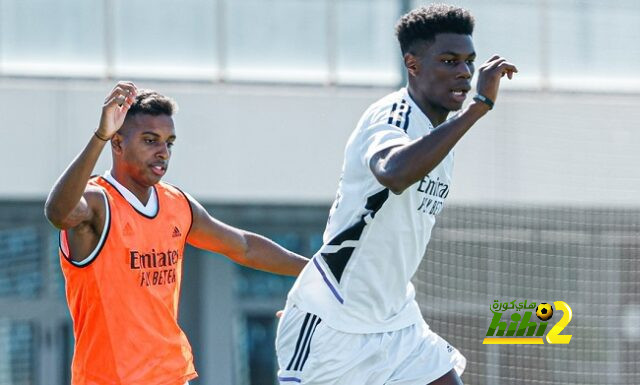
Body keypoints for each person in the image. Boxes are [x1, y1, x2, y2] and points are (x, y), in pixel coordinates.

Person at [275, 4, 517, 385]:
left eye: (469, 61)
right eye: (449, 61)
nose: (465, 73)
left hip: (396, 319)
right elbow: (393, 173)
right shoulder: (393, 116)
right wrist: (478, 108)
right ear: (413, 64)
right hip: (334, 322)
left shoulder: (443, 131)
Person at [44, 83, 308, 385]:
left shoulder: (176, 204)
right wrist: (99, 136)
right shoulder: (97, 203)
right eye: (150, 140)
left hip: (171, 376)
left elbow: (244, 246)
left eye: (169, 143)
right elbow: (58, 212)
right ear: (117, 144)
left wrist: (319, 272)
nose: (163, 152)